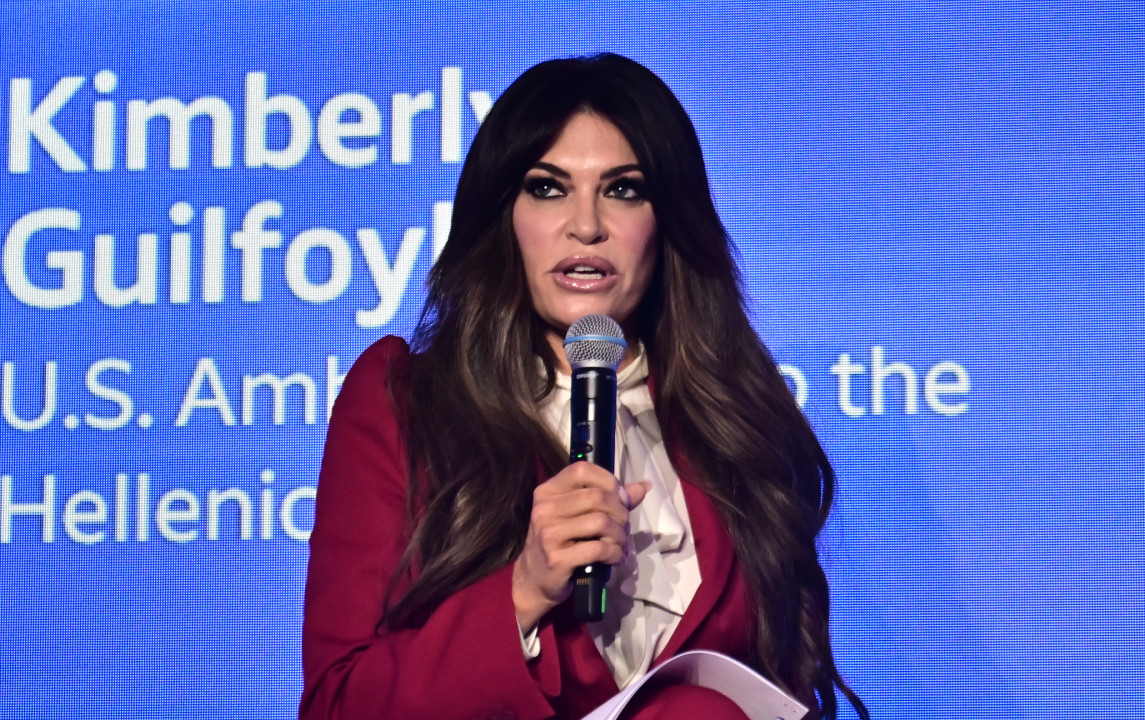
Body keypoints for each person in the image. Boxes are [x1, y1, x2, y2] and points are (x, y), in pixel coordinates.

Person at [299, 53, 868, 720]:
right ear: (504, 216)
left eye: (623, 189)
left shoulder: (737, 419)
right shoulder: (404, 401)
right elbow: (337, 704)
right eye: (548, 188)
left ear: (667, 221)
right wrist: (522, 593)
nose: (587, 225)